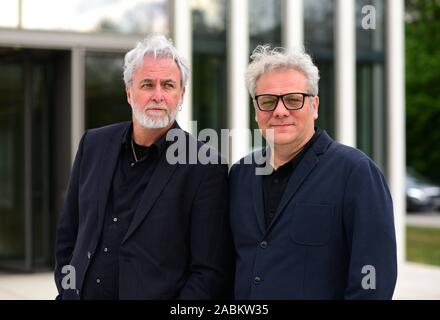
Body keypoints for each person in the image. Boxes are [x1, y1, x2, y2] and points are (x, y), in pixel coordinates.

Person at [54, 34, 234, 300]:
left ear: (181, 94)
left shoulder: (205, 165)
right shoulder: (93, 144)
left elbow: (208, 273)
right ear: (129, 92)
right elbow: (68, 236)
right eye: (147, 84)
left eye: (168, 85)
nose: (158, 95)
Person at [229, 45, 397, 299]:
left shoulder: (356, 173)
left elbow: (373, 283)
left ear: (314, 106)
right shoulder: (240, 174)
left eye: (294, 100)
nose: (280, 111)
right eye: (267, 101)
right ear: (256, 110)